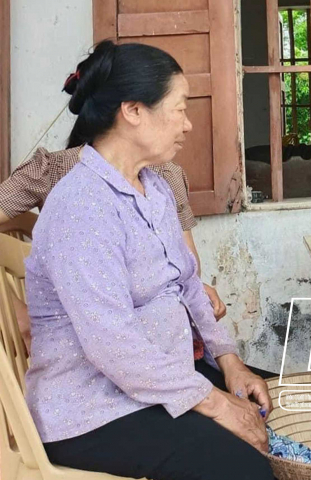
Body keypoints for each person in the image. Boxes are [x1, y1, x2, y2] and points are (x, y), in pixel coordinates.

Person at [24, 41, 275, 480]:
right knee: (244, 467)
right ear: (133, 111)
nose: (188, 124)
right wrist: (216, 404)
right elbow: (112, 343)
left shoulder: (153, 187)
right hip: (94, 408)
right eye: (180, 109)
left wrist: (230, 361)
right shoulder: (81, 206)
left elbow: (188, 283)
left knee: (276, 405)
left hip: (157, 380)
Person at [0, 145, 226, 353]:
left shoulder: (164, 175)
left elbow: (186, 267)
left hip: (163, 343)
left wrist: (194, 293)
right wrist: (15, 312)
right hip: (85, 348)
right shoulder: (53, 171)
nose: (185, 126)